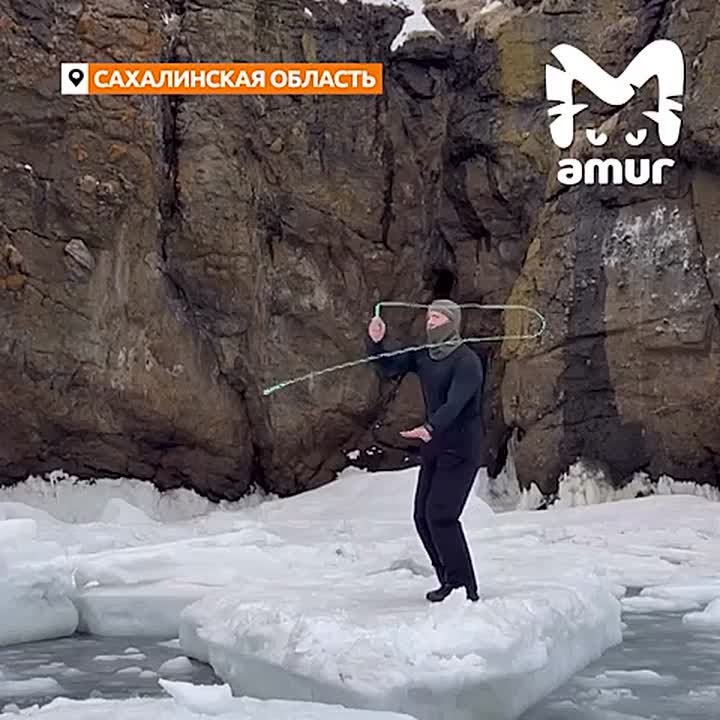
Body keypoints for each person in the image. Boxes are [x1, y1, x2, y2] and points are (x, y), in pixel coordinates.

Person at [366, 299, 484, 603]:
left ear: (452, 323)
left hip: (461, 449)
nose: (431, 322)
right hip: (434, 448)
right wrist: (376, 343)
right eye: (429, 317)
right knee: (422, 517)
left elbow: (456, 404)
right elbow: (389, 366)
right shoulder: (424, 356)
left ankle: (464, 587)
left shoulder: (466, 361)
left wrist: (430, 427)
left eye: (438, 318)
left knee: (441, 516)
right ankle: (447, 580)